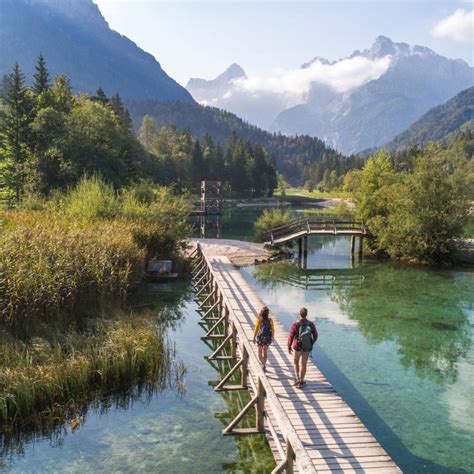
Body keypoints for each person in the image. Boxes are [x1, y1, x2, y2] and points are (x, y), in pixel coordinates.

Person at [288, 307, 318, 388]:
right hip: (307, 348)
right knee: (304, 364)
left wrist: (289, 346)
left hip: (297, 346)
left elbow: (291, 336)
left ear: (299, 314)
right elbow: (315, 335)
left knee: (296, 362)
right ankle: (301, 381)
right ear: (306, 314)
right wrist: (311, 343)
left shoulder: (296, 324)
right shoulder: (310, 324)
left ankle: (297, 378)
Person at [253, 306, 275, 372]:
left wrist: (254, 337)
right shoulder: (270, 320)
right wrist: (272, 337)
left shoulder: (259, 319)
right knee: (265, 352)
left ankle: (263, 364)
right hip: (267, 338)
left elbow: (256, 328)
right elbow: (273, 329)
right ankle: (264, 364)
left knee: (259, 352)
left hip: (260, 337)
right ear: (268, 313)